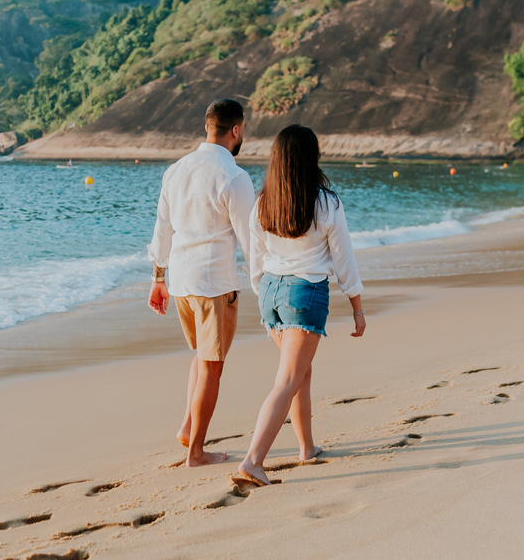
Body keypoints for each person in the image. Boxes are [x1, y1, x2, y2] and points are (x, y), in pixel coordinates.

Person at [235, 125, 365, 487]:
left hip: (272, 295)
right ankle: (253, 461)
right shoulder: (325, 202)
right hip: (305, 294)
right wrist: (357, 306)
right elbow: (344, 260)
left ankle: (306, 447)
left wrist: (264, 295)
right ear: (312, 157)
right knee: (288, 379)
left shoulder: (263, 202)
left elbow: (255, 259)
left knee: (300, 375)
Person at [148, 98, 255, 468]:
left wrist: (158, 279)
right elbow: (249, 239)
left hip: (179, 280)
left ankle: (187, 427)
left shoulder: (176, 170)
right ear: (236, 130)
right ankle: (196, 451)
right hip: (213, 284)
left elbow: (162, 229)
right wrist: (262, 285)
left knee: (201, 356)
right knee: (212, 365)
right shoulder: (235, 177)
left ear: (207, 125)